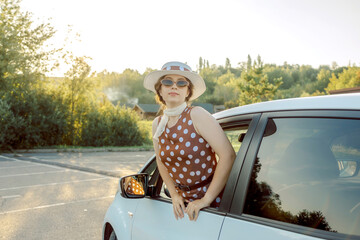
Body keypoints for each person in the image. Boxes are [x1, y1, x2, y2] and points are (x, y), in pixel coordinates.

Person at [143, 61, 236, 221]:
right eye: (167, 82)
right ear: (160, 89)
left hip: (214, 202)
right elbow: (160, 161)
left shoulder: (197, 115)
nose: (174, 86)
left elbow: (228, 156)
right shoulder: (157, 124)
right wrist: (173, 195)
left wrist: (205, 200)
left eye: (181, 83)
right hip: (184, 203)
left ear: (188, 91)